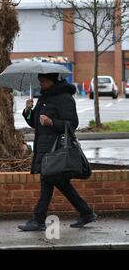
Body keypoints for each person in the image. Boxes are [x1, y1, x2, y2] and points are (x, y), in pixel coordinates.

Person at [18, 73, 97, 231]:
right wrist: (28, 111)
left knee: (47, 181)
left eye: (43, 81)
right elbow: (36, 123)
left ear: (53, 81)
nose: (41, 84)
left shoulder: (65, 98)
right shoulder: (44, 97)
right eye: (40, 82)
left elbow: (72, 123)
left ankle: (38, 219)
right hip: (44, 148)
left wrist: (52, 122)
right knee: (59, 183)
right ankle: (86, 213)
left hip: (57, 149)